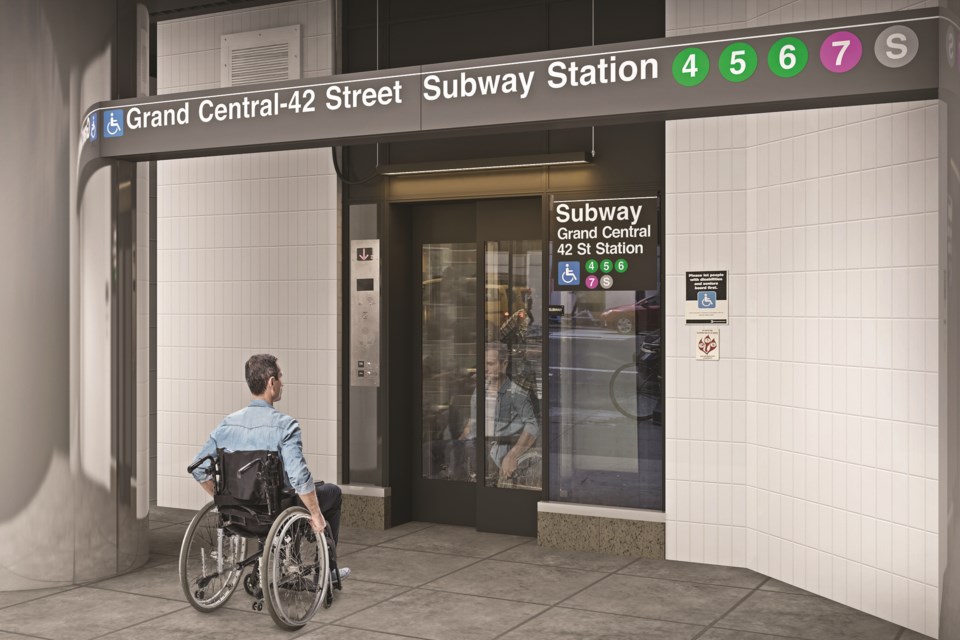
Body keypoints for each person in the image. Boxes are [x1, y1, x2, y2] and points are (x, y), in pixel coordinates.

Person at [189, 353, 349, 580]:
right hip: (274, 512)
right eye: (280, 377)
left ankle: (287, 558)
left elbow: (197, 469)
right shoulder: (285, 426)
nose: (283, 383)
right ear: (271, 382)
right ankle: (327, 572)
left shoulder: (227, 425)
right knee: (332, 493)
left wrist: (223, 499)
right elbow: (299, 478)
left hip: (236, 516)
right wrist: (316, 515)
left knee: (283, 496)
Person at [462, 345, 539, 484]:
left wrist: (513, 455)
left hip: (497, 449)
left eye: (490, 364)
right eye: (483, 364)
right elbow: (471, 423)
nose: (485, 368)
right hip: (476, 447)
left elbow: (532, 426)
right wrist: (458, 444)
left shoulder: (516, 393)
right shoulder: (479, 392)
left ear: (504, 364)